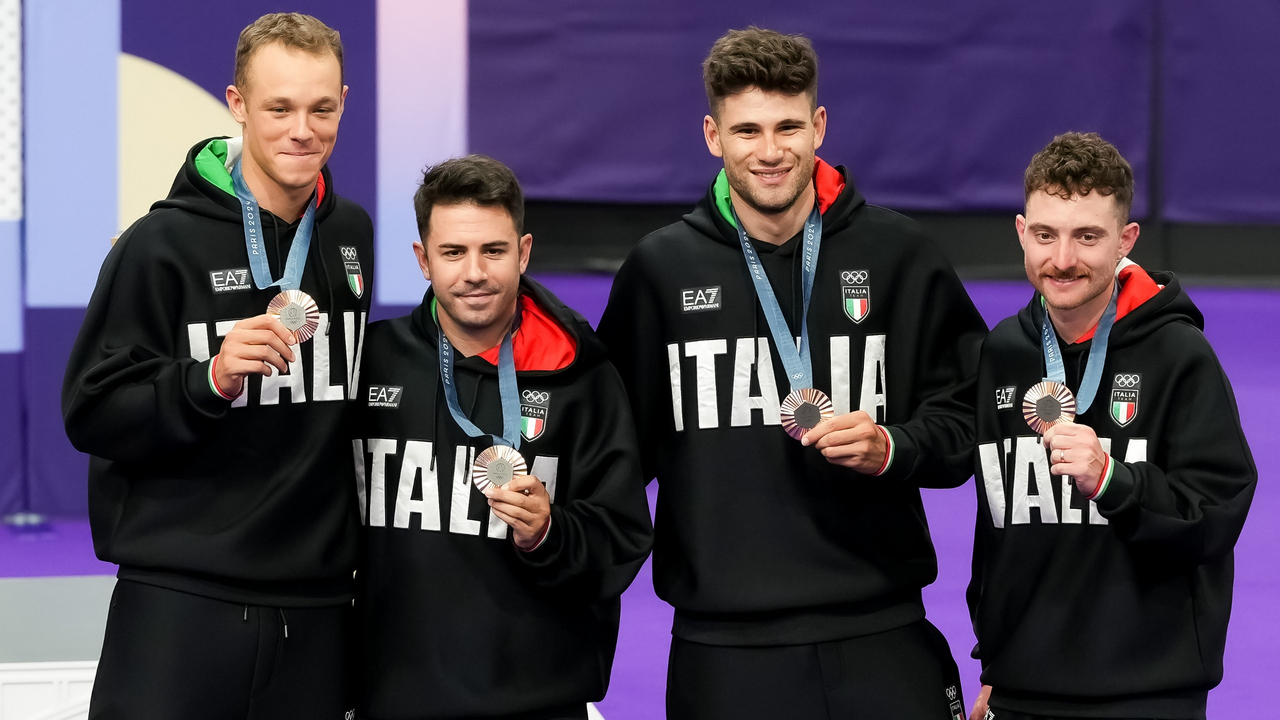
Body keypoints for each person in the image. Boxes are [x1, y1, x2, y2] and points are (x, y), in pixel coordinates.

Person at [597, 27, 987, 720]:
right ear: (713, 134)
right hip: (724, 649)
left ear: (820, 126)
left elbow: (971, 420)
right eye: (748, 130)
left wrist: (895, 446)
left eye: (788, 126)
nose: (771, 151)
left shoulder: (899, 254)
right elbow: (610, 455)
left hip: (882, 631)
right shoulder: (661, 271)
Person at [62, 13, 372, 719]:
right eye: (279, 108)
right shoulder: (158, 244)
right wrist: (208, 379)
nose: (303, 130)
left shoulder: (350, 233)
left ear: (344, 103)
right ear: (236, 105)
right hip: (182, 600)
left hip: (316, 606)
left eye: (322, 108)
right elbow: (91, 409)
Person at [351, 154, 653, 720]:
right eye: (453, 252)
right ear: (422, 259)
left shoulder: (581, 377)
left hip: (538, 702)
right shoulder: (374, 363)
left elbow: (623, 537)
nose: (474, 272)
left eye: (493, 250)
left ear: (524, 251)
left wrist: (549, 533)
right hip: (390, 700)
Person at [967, 132, 1256, 720]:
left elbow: (1217, 513)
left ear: (1126, 241)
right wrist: (995, 663)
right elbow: (998, 527)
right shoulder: (1003, 352)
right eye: (1046, 235)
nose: (1064, 259)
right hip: (1022, 689)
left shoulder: (1180, 355)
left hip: (1146, 693)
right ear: (1022, 232)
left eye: (1087, 237)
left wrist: (1115, 482)